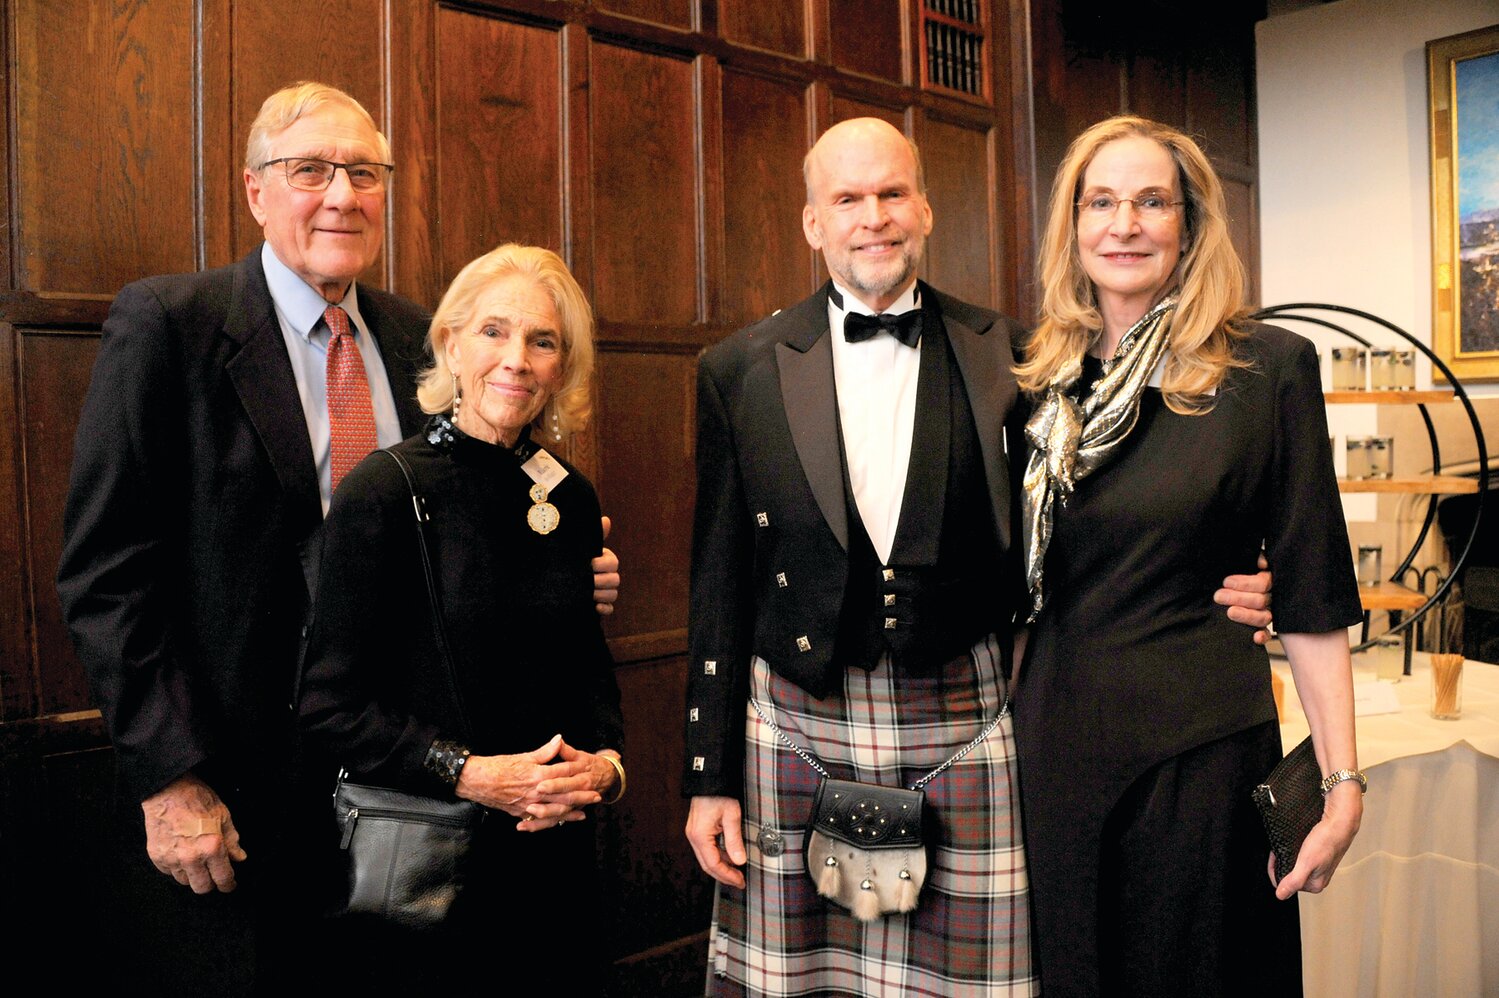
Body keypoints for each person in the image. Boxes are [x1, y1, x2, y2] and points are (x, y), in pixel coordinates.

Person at [682, 117, 1273, 996]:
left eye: (891, 194)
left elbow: (1118, 506)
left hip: (963, 718)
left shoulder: (1023, 357)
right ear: (812, 222)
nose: (872, 216)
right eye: (847, 198)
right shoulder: (739, 368)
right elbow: (719, 582)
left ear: (924, 210)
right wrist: (708, 776)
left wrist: (1244, 575)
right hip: (796, 723)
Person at [55, 83, 618, 991]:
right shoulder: (170, 327)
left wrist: (560, 575)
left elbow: (461, 524)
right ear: (255, 191)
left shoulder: (421, 336)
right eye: (310, 169)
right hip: (241, 790)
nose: (341, 194)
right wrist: (172, 779)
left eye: (363, 172)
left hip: (411, 796)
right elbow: (105, 575)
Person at [1012, 114, 1365, 995]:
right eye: (1100, 201)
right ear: (1072, 226)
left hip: (1199, 758)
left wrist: (1342, 780)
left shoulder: (1265, 369)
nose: (1123, 224)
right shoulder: (1029, 380)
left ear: (1191, 225)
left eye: (1150, 202)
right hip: (1049, 757)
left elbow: (1313, 588)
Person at [297, 243, 622, 988]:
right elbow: (327, 706)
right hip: (428, 860)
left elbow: (589, 678)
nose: (516, 359)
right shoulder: (383, 490)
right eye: (493, 332)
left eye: (543, 341)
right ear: (449, 343)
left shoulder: (569, 496)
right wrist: (472, 774)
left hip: (552, 857)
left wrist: (604, 772)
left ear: (562, 365)